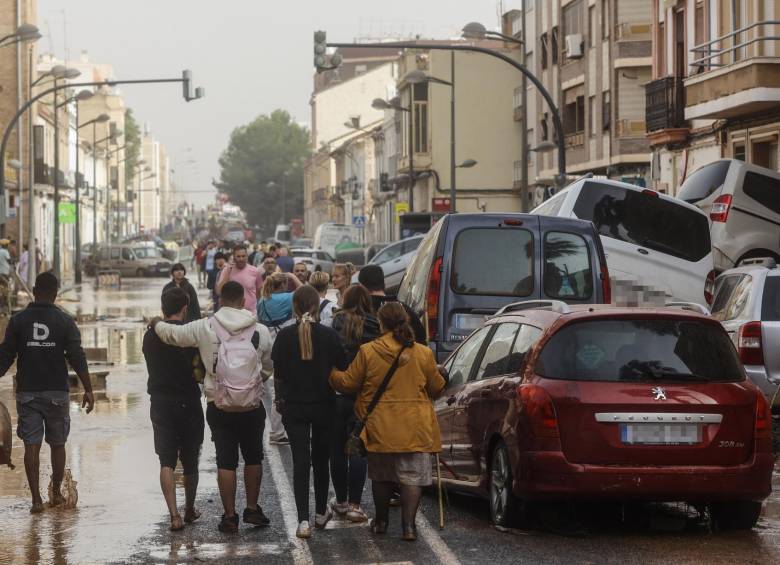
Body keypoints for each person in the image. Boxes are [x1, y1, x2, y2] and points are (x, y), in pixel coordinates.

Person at [152, 281, 273, 533]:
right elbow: (268, 367)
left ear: (220, 300)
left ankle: (229, 516)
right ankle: (252, 507)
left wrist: (155, 323)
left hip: (219, 405)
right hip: (251, 406)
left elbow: (171, 335)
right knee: (253, 457)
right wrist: (250, 386)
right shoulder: (260, 330)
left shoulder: (205, 326)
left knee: (225, 461)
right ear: (243, 301)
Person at [330, 302, 446, 541]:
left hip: (380, 425)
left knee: (382, 476)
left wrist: (330, 372)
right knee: (412, 477)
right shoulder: (423, 353)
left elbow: (349, 383)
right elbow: (436, 387)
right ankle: (409, 527)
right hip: (416, 425)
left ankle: (381, 522)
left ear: (381, 323)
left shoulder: (369, 351)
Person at [0, 272, 94, 514]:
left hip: (27, 392)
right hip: (57, 393)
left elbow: (5, 356)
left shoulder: (18, 320)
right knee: (58, 444)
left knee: (31, 445)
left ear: (33, 290)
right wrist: (88, 389)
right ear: (55, 294)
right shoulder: (65, 321)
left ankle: (35, 501)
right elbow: (77, 356)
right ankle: (55, 494)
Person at [271, 286, 348, 538]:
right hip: (324, 404)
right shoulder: (328, 335)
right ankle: (319, 513)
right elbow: (342, 366)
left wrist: (279, 401)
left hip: (294, 406)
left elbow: (278, 375)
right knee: (320, 460)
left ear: (294, 306)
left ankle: (302, 520)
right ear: (317, 305)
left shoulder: (284, 336)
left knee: (300, 462)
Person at [143, 287, 204, 531]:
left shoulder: (149, 336)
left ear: (162, 308)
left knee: (166, 460)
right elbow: (200, 372)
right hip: (188, 401)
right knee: (190, 461)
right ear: (184, 308)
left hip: (160, 402)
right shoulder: (189, 337)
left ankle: (174, 516)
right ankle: (189, 509)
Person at [329, 285, 380, 523]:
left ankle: (340, 500)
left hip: (338, 391)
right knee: (358, 449)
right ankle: (355, 505)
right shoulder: (375, 325)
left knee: (337, 448)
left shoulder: (338, 321)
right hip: (365, 395)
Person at [358, 264, 426, 344]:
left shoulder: (361, 311)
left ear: (362, 286)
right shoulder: (403, 307)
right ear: (383, 283)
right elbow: (421, 337)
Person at [215, 245, 263, 312]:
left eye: (243, 256)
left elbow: (259, 292)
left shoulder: (255, 271)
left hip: (250, 313)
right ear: (234, 257)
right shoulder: (227, 270)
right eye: (238, 256)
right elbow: (219, 291)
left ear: (247, 256)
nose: (241, 259)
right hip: (231, 313)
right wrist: (227, 274)